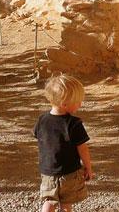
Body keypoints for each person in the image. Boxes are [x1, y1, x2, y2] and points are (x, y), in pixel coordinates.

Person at [34, 74, 93, 212]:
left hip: (48, 172)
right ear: (64, 103)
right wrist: (88, 167)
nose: (80, 104)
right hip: (69, 173)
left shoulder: (42, 120)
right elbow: (83, 149)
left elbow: (41, 140)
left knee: (49, 201)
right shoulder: (74, 124)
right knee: (66, 203)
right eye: (78, 102)